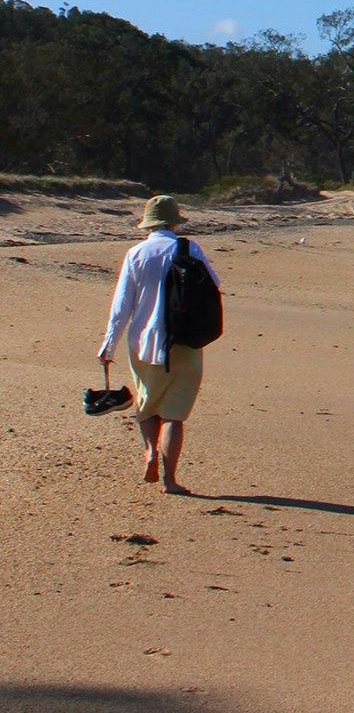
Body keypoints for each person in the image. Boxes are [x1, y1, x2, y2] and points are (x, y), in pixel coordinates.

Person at [98, 195, 223, 495]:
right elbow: (215, 283)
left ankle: (150, 452)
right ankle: (170, 480)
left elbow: (121, 306)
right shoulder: (189, 248)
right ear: (174, 221)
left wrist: (108, 345)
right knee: (174, 414)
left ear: (149, 223)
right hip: (185, 340)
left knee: (146, 404)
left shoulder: (136, 253)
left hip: (143, 341)